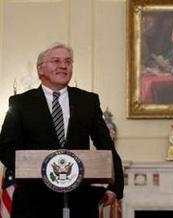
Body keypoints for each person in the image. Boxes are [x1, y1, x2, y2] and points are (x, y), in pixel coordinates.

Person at [0, 42, 124, 218]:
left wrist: (115, 187)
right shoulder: (21, 103)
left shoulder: (87, 101)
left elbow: (106, 146)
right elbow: (5, 148)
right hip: (34, 201)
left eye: (68, 61)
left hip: (79, 201)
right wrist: (41, 169)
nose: (63, 66)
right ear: (40, 69)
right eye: (56, 61)